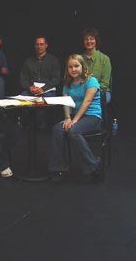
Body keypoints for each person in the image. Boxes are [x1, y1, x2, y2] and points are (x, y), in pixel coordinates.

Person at [48, 54, 103, 183]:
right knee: (57, 129)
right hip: (76, 116)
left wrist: (75, 120)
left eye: (76, 66)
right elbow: (66, 102)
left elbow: (87, 101)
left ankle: (92, 166)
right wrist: (67, 118)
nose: (73, 69)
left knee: (73, 131)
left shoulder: (91, 81)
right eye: (70, 67)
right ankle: (59, 168)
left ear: (82, 67)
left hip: (92, 116)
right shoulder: (68, 84)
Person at [20, 35, 61, 128]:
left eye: (41, 44)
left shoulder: (53, 60)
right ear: (35, 46)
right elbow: (23, 79)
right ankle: (27, 123)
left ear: (46, 45)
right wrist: (29, 87)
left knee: (43, 103)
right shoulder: (28, 61)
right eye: (37, 44)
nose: (39, 47)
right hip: (32, 89)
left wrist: (43, 89)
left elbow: (56, 79)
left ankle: (38, 124)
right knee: (21, 100)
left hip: (47, 89)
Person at [81, 28, 112, 103]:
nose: (89, 41)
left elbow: (104, 84)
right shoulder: (79, 59)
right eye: (86, 39)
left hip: (100, 92)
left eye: (91, 39)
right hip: (82, 91)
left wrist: (91, 91)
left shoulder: (105, 59)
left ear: (96, 41)